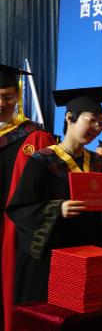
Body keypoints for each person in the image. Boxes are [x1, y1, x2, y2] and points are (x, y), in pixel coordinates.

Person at [6, 86, 102, 304]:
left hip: (86, 253)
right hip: (51, 257)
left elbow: (97, 210)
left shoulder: (97, 162)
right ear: (70, 118)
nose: (97, 128)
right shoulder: (42, 161)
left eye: (101, 123)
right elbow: (19, 209)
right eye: (92, 120)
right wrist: (57, 209)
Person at [0, 64, 55, 331]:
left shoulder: (35, 136)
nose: (1, 103)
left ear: (18, 97)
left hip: (10, 229)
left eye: (7, 97)